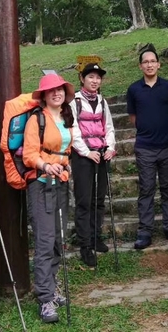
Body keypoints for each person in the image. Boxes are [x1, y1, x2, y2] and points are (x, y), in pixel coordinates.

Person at [23, 73, 76, 324]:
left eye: (60, 90)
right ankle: (45, 299)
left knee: (57, 240)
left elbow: (65, 150)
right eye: (51, 90)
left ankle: (52, 288)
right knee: (45, 242)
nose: (57, 93)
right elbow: (29, 154)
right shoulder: (37, 119)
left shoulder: (65, 117)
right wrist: (46, 166)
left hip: (61, 183)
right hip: (42, 184)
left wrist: (65, 165)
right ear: (43, 95)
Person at [126, 45, 168, 250]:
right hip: (145, 147)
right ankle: (145, 231)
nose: (149, 64)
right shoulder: (134, 89)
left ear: (158, 64)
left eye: (153, 61)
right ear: (141, 66)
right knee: (146, 188)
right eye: (146, 62)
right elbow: (134, 117)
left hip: (167, 144)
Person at [69, 62, 116, 267]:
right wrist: (87, 152)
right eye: (91, 77)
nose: (95, 81)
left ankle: (96, 237)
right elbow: (73, 129)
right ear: (82, 79)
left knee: (98, 199)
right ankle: (85, 245)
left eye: (98, 77)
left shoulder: (102, 101)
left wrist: (111, 147)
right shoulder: (75, 102)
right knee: (84, 201)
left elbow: (109, 127)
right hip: (83, 158)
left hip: (102, 155)